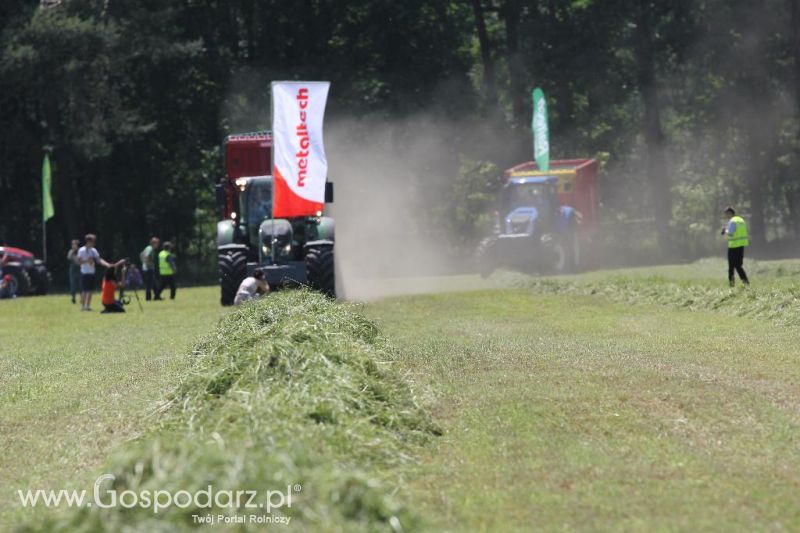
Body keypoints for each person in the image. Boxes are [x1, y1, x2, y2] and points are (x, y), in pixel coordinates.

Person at [77, 233, 124, 311]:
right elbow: (79, 261)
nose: (94, 243)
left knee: (90, 290)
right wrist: (87, 261)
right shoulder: (81, 250)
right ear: (88, 241)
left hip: (92, 272)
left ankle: (87, 306)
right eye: (93, 241)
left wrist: (108, 265)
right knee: (85, 290)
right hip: (84, 272)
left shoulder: (93, 250)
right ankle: (82, 306)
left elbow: (99, 260)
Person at [721, 206, 750, 287]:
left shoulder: (732, 221)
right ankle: (746, 283)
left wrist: (725, 230)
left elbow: (731, 232)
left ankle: (732, 285)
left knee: (731, 267)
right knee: (738, 265)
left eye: (726, 214)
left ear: (730, 213)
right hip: (741, 245)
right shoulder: (741, 220)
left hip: (733, 246)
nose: (726, 216)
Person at [140, 236, 160, 301]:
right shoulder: (150, 248)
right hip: (148, 269)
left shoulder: (148, 248)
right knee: (149, 284)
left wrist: (143, 262)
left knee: (154, 283)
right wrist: (147, 264)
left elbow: (141, 254)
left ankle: (157, 296)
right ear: (154, 243)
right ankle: (148, 298)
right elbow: (146, 256)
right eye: (157, 243)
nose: (158, 245)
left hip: (147, 268)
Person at [67, 239, 81, 304]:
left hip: (80, 270)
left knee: (81, 285)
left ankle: (82, 298)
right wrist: (73, 251)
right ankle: (73, 298)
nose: (73, 245)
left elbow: (79, 262)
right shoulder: (70, 251)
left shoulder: (81, 251)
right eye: (72, 244)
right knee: (73, 285)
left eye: (74, 244)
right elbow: (69, 257)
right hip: (72, 271)